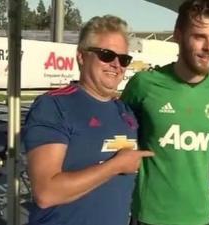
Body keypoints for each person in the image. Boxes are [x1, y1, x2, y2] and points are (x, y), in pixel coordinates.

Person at [24, 15, 154, 225]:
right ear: (82, 57)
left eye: (123, 59)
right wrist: (115, 166)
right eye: (106, 55)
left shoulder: (126, 112)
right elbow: (46, 192)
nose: (116, 64)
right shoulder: (53, 106)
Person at [121, 0, 209, 225]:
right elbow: (118, 139)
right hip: (149, 216)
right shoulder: (144, 84)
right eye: (200, 36)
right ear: (178, 35)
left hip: (199, 217)